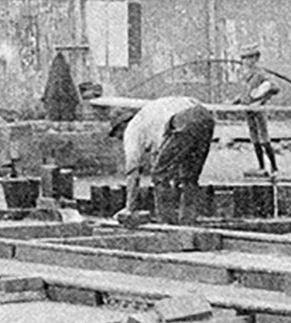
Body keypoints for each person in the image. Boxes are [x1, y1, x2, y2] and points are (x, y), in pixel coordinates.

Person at [112, 94, 216, 225]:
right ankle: (188, 220)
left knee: (159, 175)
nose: (119, 139)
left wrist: (130, 208)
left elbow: (132, 172)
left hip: (182, 119)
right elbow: (170, 153)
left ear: (121, 126)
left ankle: (166, 222)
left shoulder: (132, 129)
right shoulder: (149, 119)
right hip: (205, 116)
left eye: (117, 135)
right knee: (189, 177)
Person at [236, 44, 280, 180]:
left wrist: (261, 101)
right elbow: (244, 93)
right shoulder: (242, 73)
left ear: (256, 58)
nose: (247, 61)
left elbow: (275, 87)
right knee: (254, 138)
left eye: (250, 57)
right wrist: (234, 102)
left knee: (264, 138)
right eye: (244, 58)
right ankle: (261, 167)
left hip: (258, 110)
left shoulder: (261, 73)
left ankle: (274, 167)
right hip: (247, 110)